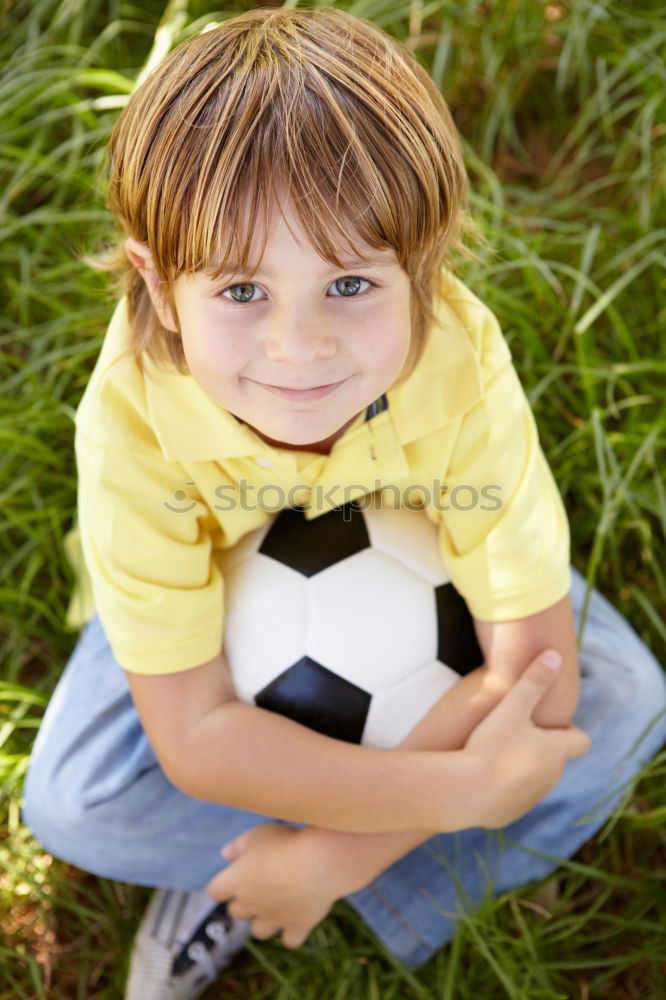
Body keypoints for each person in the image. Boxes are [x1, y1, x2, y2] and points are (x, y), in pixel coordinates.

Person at [22, 8, 666, 1000]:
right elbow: (193, 733)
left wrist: (340, 854)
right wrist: (463, 791)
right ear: (156, 283)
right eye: (241, 291)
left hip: (433, 549)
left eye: (351, 282)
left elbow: (536, 664)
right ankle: (278, 870)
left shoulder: (460, 366)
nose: (299, 347)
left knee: (625, 707)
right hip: (203, 585)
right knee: (72, 803)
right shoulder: (132, 421)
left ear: (427, 263)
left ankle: (285, 876)